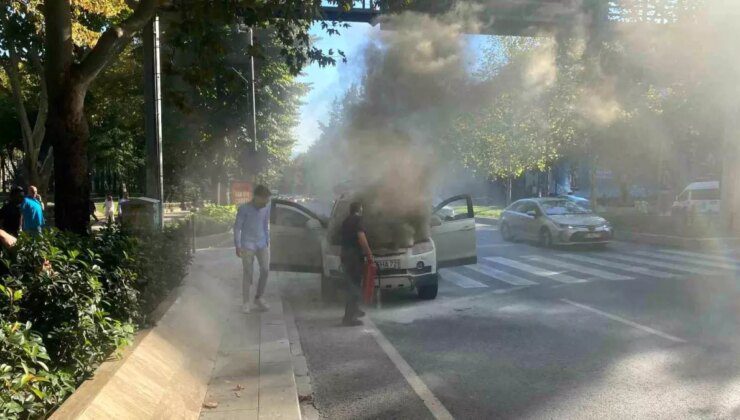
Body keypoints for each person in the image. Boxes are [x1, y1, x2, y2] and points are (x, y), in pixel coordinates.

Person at [233, 185, 272, 313]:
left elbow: (265, 225)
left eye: (267, 200)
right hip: (247, 244)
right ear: (256, 197)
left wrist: (267, 241)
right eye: (264, 199)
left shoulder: (266, 208)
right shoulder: (244, 209)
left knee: (265, 270)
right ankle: (245, 302)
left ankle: (258, 297)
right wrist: (238, 245)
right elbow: (237, 228)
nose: (266, 202)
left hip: (261, 244)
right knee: (248, 273)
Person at [339, 201, 374, 326]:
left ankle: (355, 310)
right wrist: (369, 255)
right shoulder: (358, 220)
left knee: (352, 284)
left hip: (345, 256)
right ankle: (348, 318)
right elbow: (361, 238)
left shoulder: (346, 221)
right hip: (353, 257)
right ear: (359, 209)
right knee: (354, 287)